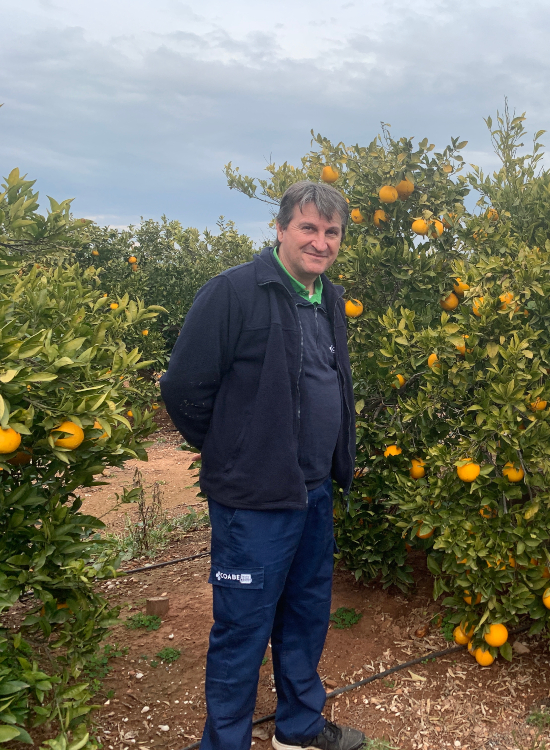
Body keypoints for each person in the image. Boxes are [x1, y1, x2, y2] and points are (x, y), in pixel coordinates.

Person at [160, 181, 364, 750]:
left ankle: (297, 728)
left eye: (331, 232)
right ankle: (225, 742)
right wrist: (235, 449)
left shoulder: (329, 298)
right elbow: (183, 387)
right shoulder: (233, 292)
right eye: (308, 228)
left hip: (314, 493)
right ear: (279, 229)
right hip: (253, 504)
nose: (320, 242)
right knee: (243, 629)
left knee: (305, 616)